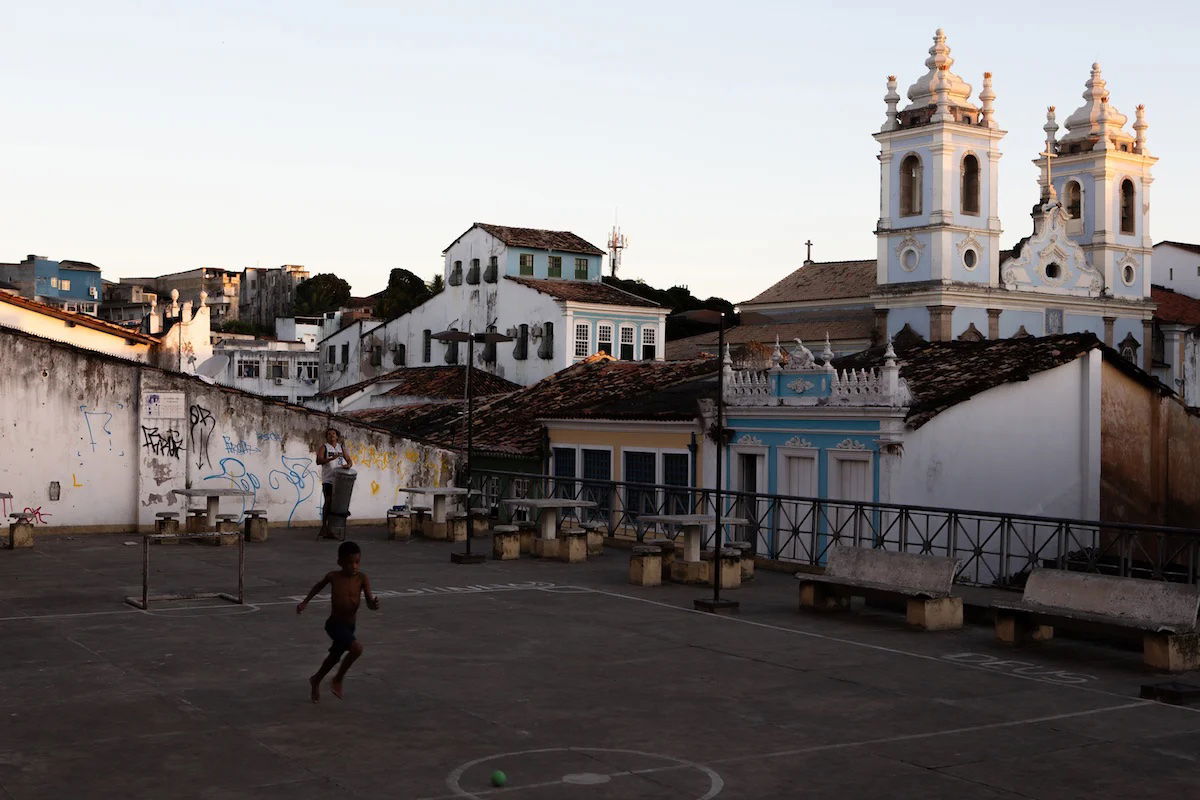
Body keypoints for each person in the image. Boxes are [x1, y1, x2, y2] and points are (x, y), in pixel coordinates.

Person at [296, 540, 379, 702]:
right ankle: (338, 679)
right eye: (349, 563)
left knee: (334, 657)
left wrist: (374, 605)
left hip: (350, 626)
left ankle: (316, 680)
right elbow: (317, 587)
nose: (354, 566)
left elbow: (369, 602)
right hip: (334, 624)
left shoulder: (362, 578)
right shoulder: (333, 576)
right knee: (357, 649)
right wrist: (305, 602)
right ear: (340, 562)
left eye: (357, 562)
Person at [316, 427, 352, 539]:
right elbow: (318, 461)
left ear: (337, 436)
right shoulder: (324, 447)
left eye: (334, 434)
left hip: (340, 480)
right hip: (328, 480)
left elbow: (350, 461)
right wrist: (331, 458)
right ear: (326, 437)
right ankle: (324, 526)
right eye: (329, 434)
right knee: (328, 501)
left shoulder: (341, 447)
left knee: (338, 504)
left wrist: (348, 465)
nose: (332, 435)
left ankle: (333, 528)